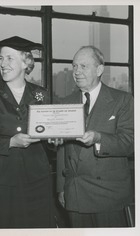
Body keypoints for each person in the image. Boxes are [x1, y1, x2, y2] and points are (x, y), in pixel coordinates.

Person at [0, 36, 55, 228]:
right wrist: (10, 142)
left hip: (36, 181)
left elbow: (49, 136)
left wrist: (55, 139)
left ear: (26, 62)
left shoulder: (41, 94)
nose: (3, 64)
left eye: (9, 58)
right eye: (1, 59)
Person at [56, 45, 134, 227]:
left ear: (99, 69)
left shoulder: (122, 100)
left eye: (83, 66)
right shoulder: (66, 102)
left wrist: (99, 138)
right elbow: (62, 151)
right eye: (74, 66)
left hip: (109, 195)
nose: (77, 71)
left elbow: (130, 143)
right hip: (75, 193)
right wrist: (61, 187)